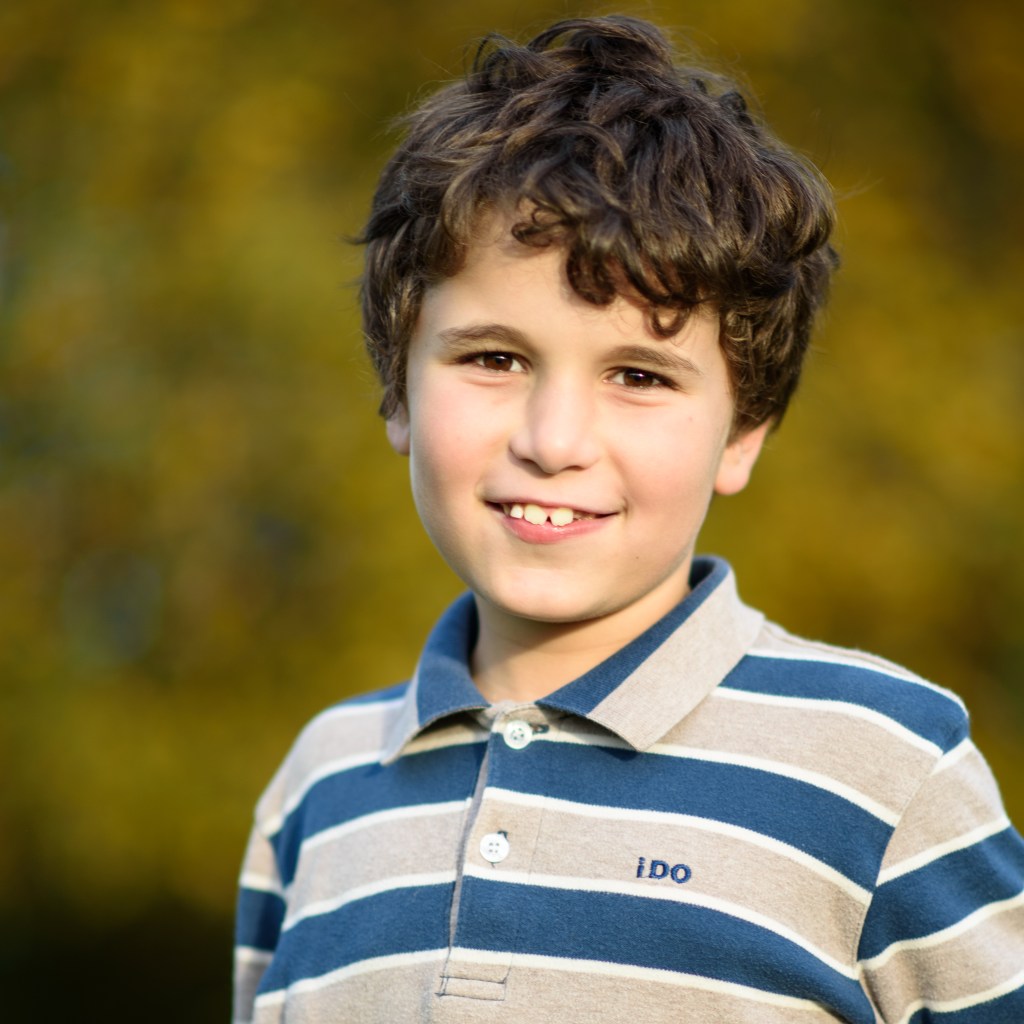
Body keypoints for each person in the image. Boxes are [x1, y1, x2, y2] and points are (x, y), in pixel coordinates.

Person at [232, 16, 1024, 1023]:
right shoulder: (317, 788)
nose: (554, 438)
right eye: (493, 358)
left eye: (638, 374)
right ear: (397, 391)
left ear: (742, 432)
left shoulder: (886, 770)